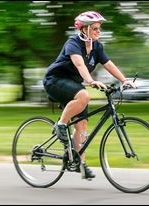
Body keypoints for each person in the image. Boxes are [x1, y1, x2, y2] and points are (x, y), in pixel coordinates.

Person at [43, 11, 136, 179]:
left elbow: (108, 64)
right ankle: (61, 125)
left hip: (73, 85)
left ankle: (80, 163)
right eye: (95, 29)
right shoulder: (73, 43)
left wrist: (124, 80)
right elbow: (79, 64)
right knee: (85, 95)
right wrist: (91, 81)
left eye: (99, 29)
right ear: (84, 29)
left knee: (82, 126)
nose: (98, 32)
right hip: (55, 81)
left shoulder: (97, 46)